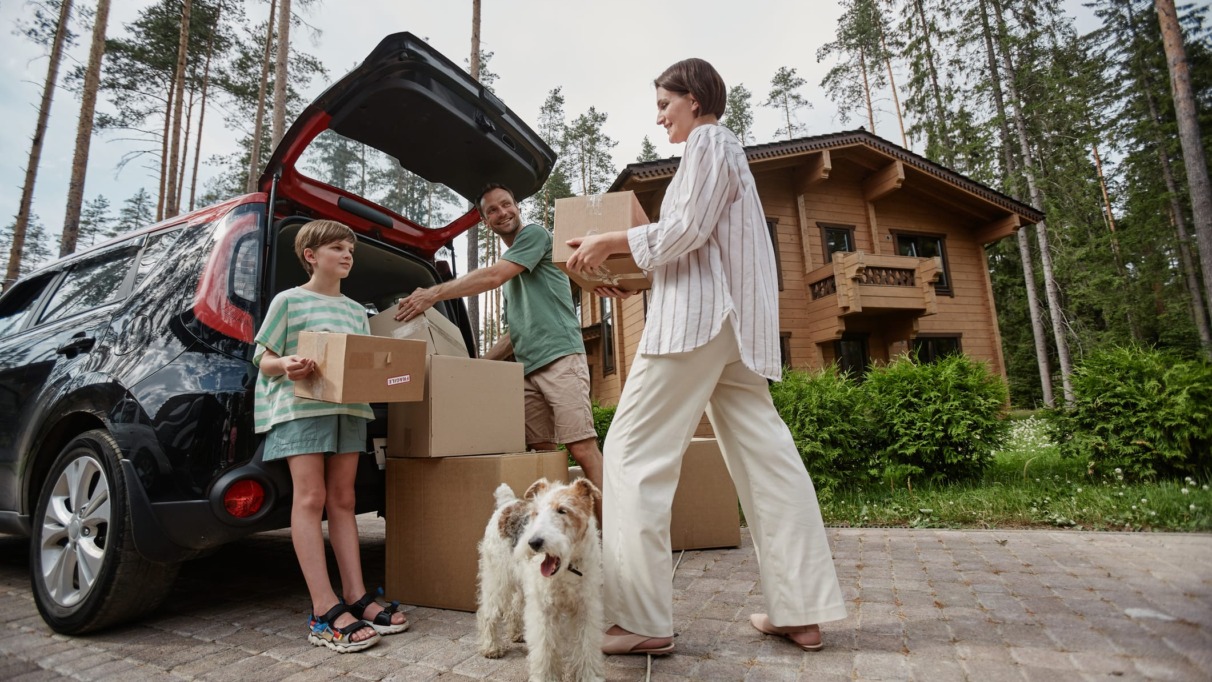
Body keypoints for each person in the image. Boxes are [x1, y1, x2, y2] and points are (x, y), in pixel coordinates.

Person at [565, 58, 848, 656]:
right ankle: (801, 612)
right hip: (733, 330)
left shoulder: (709, 142)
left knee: (631, 453)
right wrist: (630, 280)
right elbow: (698, 247)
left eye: (664, 103)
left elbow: (685, 229)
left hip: (699, 324)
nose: (660, 116)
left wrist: (607, 241)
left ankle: (641, 618)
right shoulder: (723, 155)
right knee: (767, 462)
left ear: (694, 98)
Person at [395, 183, 604, 518]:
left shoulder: (535, 235)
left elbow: (492, 277)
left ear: (517, 206)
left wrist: (432, 294)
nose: (502, 212)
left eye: (506, 204)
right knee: (543, 454)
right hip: (528, 369)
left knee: (581, 448)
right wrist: (473, 368)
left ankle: (613, 539)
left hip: (561, 357)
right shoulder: (510, 272)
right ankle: (559, 533)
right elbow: (512, 335)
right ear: (485, 220)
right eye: (492, 209)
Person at [254, 220, 409, 653]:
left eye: (350, 251)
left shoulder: (356, 310)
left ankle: (356, 595)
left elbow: (364, 363)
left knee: (344, 500)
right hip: (300, 409)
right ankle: (324, 608)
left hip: (349, 410)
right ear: (311, 255)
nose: (347, 256)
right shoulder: (289, 301)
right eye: (338, 248)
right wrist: (285, 363)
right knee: (310, 499)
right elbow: (262, 359)